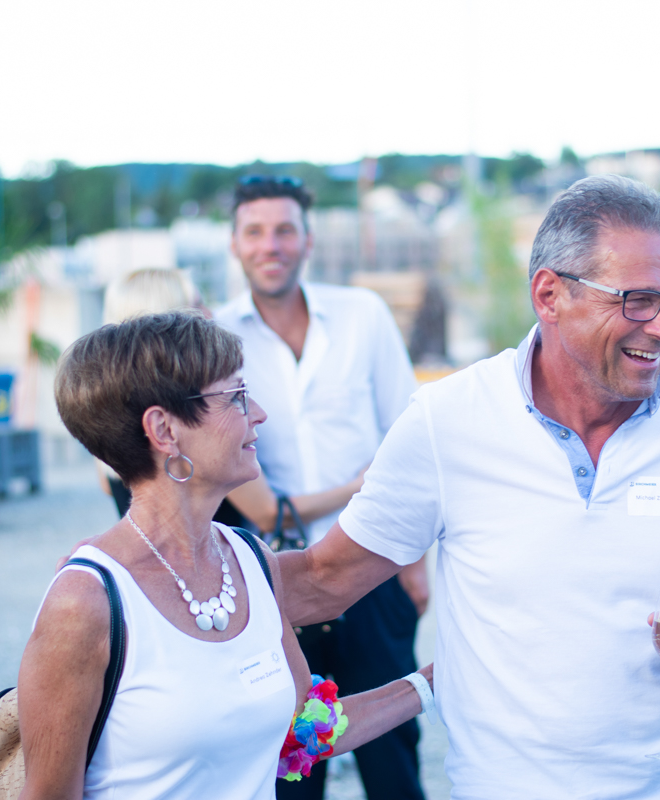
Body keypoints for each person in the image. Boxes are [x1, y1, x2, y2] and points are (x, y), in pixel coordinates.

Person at [278, 175, 660, 799]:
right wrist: (179, 581)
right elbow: (322, 581)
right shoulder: (449, 420)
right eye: (637, 301)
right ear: (549, 294)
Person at [18, 310, 434, 799]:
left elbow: (303, 733)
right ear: (164, 430)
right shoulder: (85, 603)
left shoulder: (249, 561)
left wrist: (435, 682)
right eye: (236, 395)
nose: (259, 412)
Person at [214, 175, 428, 800]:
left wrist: (416, 565)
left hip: (371, 567)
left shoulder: (362, 315)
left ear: (308, 240)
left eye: (285, 230)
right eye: (255, 232)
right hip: (275, 583)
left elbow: (409, 433)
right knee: (292, 765)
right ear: (235, 244)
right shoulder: (218, 338)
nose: (270, 245)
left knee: (393, 760)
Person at [96, 267, 362, 534]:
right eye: (197, 305)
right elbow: (269, 513)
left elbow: (109, 487)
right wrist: (359, 486)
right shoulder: (198, 424)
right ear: (169, 322)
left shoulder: (113, 414)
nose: (211, 313)